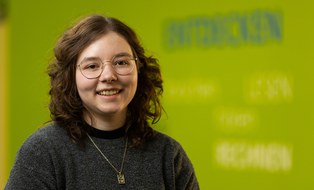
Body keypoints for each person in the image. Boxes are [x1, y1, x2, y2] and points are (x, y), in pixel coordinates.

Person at [5, 14, 199, 189]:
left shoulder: (168, 155)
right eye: (92, 66)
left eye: (121, 62)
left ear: (139, 69)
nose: (108, 75)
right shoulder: (43, 153)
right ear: (70, 77)